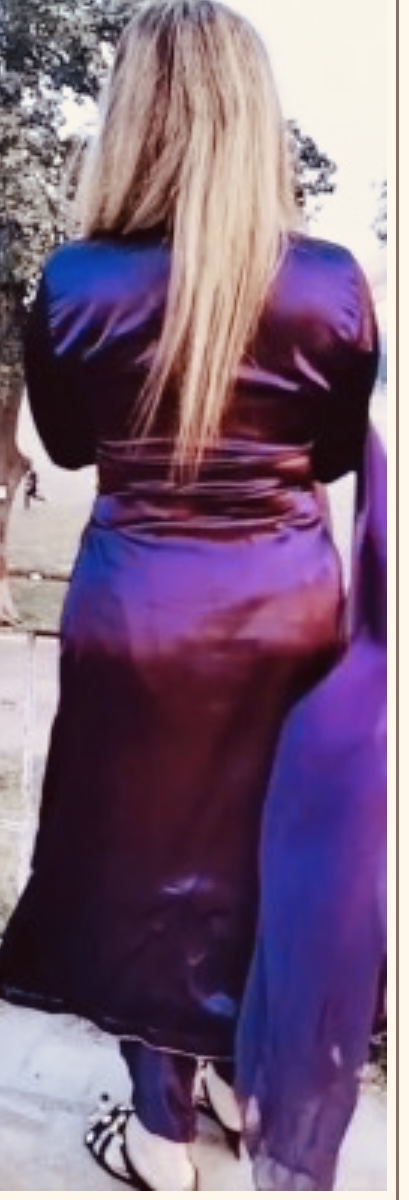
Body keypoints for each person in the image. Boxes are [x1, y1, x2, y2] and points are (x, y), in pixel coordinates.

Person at [0, 0, 384, 1190]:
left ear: (133, 118)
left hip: (140, 617)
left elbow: (69, 446)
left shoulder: (77, 282)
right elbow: (330, 456)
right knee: (267, 852)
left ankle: (160, 1133)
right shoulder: (329, 285)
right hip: (286, 610)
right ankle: (243, 1073)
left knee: (140, 862)